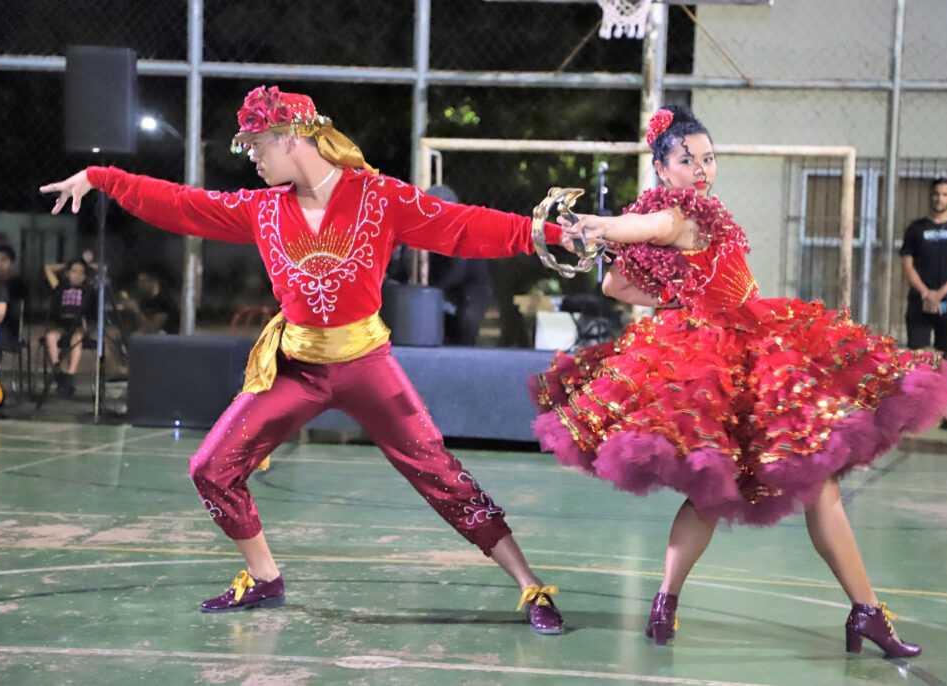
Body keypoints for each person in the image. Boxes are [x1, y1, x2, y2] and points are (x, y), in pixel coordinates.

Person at [40, 85, 566, 634]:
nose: (252, 157)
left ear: (292, 137)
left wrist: (549, 234)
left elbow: (464, 226)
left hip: (366, 365)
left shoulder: (379, 198)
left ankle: (530, 584)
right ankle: (263, 577)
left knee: (439, 472)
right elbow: (182, 205)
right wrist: (103, 178)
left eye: (257, 145)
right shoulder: (262, 210)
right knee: (211, 469)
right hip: (295, 367)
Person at [532, 106, 947, 657]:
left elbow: (615, 285)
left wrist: (673, 292)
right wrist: (600, 225)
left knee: (714, 491)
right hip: (744, 356)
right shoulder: (677, 214)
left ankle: (664, 606)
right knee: (817, 483)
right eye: (688, 160)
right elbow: (648, 231)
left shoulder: (685, 214)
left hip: (731, 355)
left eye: (709, 158)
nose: (701, 170)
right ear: (662, 169)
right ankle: (866, 613)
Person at [899, 178, 947, 431]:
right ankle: (914, 416)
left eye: (944, 194)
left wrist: (941, 293)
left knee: (945, 359)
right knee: (918, 359)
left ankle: (944, 415)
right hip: (919, 303)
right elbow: (907, 265)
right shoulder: (916, 229)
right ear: (930, 197)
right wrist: (925, 293)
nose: (939, 198)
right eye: (936, 194)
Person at [425, 184, 495, 346]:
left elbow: (457, 272)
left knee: (467, 323)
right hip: (443, 288)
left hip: (471, 290)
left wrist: (430, 291)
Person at [44, 259, 95, 397]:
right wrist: (67, 265)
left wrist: (89, 266)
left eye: (81, 273)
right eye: (74, 271)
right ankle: (58, 370)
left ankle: (70, 375)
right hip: (62, 324)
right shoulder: (60, 287)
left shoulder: (88, 291)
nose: (78, 275)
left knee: (76, 338)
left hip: (79, 325)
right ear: (67, 273)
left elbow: (103, 269)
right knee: (50, 336)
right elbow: (48, 268)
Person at [119, 269, 180, 335]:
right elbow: (140, 326)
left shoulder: (164, 301)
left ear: (153, 281)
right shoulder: (145, 301)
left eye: (143, 281)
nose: (140, 285)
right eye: (138, 282)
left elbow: (153, 330)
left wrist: (136, 310)